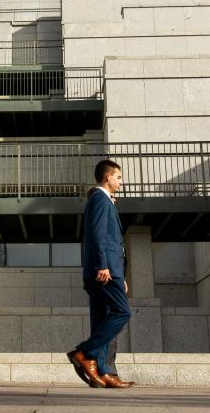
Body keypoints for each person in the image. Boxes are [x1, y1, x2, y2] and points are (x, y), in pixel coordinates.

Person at [67, 159, 134, 389]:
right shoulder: (99, 198)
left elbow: (107, 237)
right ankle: (84, 353)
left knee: (102, 321)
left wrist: (120, 275)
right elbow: (97, 236)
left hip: (107, 270)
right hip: (104, 271)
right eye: (118, 177)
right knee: (122, 312)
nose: (121, 183)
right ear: (107, 177)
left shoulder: (104, 201)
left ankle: (104, 372)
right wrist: (104, 267)